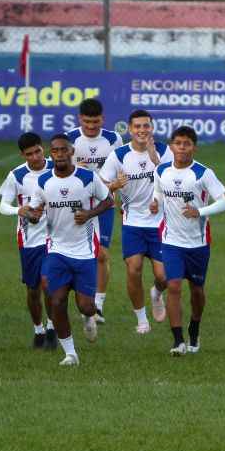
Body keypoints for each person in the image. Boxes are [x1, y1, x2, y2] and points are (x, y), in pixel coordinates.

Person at [30, 134, 114, 366]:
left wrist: (89, 214)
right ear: (51, 154)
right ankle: (70, 354)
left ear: (71, 151)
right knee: (56, 300)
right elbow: (35, 209)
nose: (59, 154)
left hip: (85, 252)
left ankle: (89, 317)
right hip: (57, 249)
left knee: (85, 306)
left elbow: (109, 201)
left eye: (63, 150)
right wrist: (32, 215)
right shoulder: (44, 181)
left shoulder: (87, 177)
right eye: (55, 151)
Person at [151, 126, 225, 355]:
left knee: (197, 290)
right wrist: (155, 202)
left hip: (198, 243)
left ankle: (194, 329)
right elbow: (158, 192)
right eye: (178, 143)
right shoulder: (161, 171)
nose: (182, 148)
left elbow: (223, 202)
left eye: (186, 144)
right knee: (173, 285)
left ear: (194, 147)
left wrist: (201, 211)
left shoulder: (203, 173)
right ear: (172, 146)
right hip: (171, 240)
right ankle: (178, 341)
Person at [100, 109, 172, 334]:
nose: (142, 130)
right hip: (133, 223)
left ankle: (157, 294)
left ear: (152, 128)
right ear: (130, 129)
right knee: (134, 268)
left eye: (146, 126)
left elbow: (174, 181)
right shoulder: (119, 155)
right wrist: (114, 186)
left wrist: (154, 158)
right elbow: (100, 187)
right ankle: (141, 320)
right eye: (138, 127)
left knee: (164, 276)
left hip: (161, 222)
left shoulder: (164, 150)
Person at [0, 132, 58, 350]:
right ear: (22, 155)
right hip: (29, 239)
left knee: (48, 284)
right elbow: (2, 206)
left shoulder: (57, 168)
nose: (35, 157)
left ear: (43, 148)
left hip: (55, 237)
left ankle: (52, 328)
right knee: (33, 290)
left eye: (37, 151)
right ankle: (38, 329)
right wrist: (19, 210)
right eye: (29, 154)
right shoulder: (17, 176)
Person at [66, 98, 123, 322]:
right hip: (76, 205)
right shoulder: (70, 139)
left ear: (103, 119)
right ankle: (81, 298)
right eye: (87, 122)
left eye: (96, 122)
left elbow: (120, 170)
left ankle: (97, 305)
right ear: (80, 119)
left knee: (101, 254)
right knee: (77, 255)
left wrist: (118, 197)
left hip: (103, 204)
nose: (91, 126)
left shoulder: (113, 139)